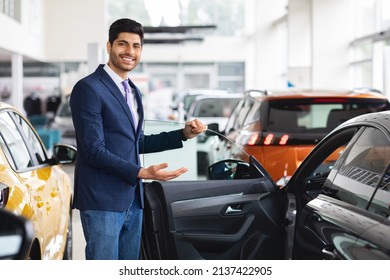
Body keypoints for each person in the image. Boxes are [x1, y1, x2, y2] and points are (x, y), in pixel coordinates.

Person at [70, 18, 207, 260]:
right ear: (109, 46)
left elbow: (136, 141)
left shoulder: (133, 91)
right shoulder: (89, 88)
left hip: (134, 200)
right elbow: (93, 150)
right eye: (123, 44)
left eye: (136, 46)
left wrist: (183, 134)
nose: (129, 52)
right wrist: (142, 172)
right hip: (102, 201)